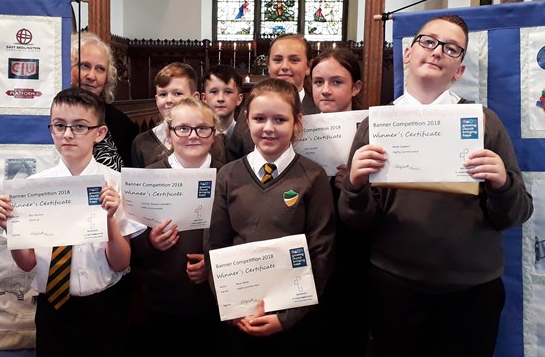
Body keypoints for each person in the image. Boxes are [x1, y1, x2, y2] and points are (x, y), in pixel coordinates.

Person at [338, 15, 533, 356]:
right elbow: (357, 221)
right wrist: (355, 186)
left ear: (458, 70)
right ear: (408, 54)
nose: (437, 51)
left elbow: (515, 215)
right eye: (428, 42)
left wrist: (503, 183)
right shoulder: (376, 125)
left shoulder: (484, 122)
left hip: (471, 290)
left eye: (451, 48)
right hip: (395, 286)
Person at [0, 88, 146, 355]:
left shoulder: (117, 185)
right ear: (51, 129)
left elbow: (121, 262)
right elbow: (27, 263)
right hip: (54, 309)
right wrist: (12, 229)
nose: (68, 134)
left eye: (80, 126)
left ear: (100, 133)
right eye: (59, 126)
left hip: (107, 307)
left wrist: (108, 219)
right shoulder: (32, 188)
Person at [204, 78, 335, 356]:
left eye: (280, 119)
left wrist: (287, 317)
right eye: (260, 118)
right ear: (246, 120)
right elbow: (215, 246)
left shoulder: (312, 176)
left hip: (291, 317)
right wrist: (232, 307)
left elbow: (321, 251)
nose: (268, 128)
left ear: (296, 122)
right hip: (240, 312)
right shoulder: (228, 175)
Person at [130, 97, 223, 354]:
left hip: (213, 303)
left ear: (213, 134)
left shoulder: (228, 177)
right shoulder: (147, 177)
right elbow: (129, 244)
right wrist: (150, 242)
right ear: (169, 134)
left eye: (202, 128)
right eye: (182, 128)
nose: (193, 135)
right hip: (161, 301)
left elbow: (239, 236)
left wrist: (212, 265)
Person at [308, 47, 370, 355]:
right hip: (311, 239)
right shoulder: (298, 127)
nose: (325, 90)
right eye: (318, 82)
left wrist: (360, 185)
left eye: (336, 82)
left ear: (355, 87)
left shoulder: (372, 129)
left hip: (353, 244)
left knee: (347, 327)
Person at [226, 34, 320, 161]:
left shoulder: (319, 110)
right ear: (268, 65)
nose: (285, 66)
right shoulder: (251, 106)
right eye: (277, 60)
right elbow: (234, 156)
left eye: (294, 60)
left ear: (308, 66)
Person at [131, 62, 225, 167]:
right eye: (163, 94)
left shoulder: (211, 138)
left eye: (178, 94)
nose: (169, 100)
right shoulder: (142, 143)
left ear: (195, 97)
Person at [70, 31, 139, 170]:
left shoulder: (123, 125)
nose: (91, 76)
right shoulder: (46, 117)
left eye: (100, 69)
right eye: (84, 66)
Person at [201, 65, 243, 142]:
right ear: (204, 98)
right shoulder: (198, 137)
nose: (220, 98)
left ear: (239, 99)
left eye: (228, 92)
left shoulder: (246, 136)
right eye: (214, 92)